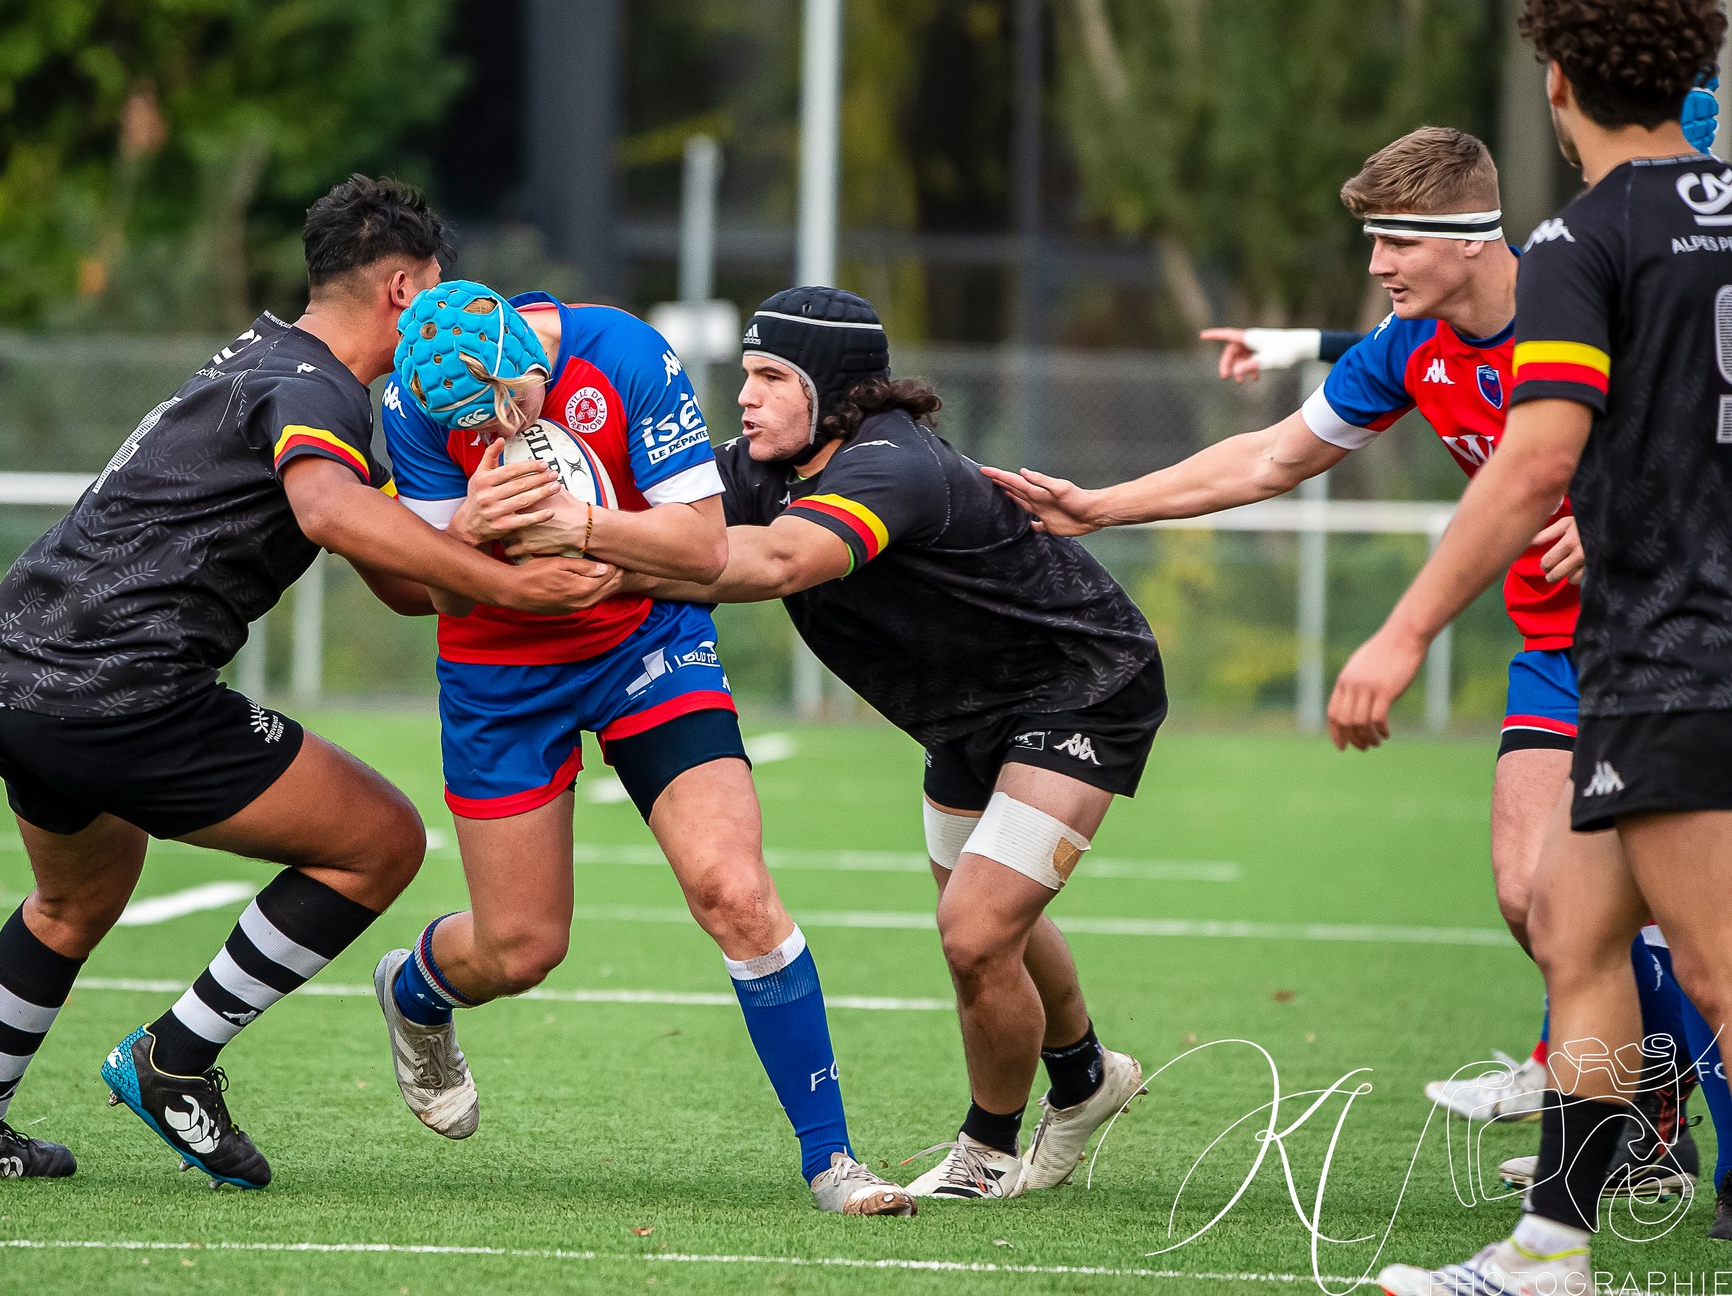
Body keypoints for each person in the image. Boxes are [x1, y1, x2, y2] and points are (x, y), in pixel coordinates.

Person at [987, 125, 1710, 1199]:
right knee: (1531, 899)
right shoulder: (1405, 346)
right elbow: (1272, 455)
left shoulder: (1589, 293)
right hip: (1556, 648)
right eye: (1371, 241)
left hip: (1677, 634)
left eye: (1393, 243)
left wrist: (1625, 512)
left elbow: (1702, 421)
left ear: (1468, 240)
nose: (1375, 265)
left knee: (1685, 925)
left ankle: (1663, 1148)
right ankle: (1645, 1127)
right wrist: (1104, 504)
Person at [0, 176, 620, 1189]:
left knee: (76, 897)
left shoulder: (269, 359)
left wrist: (475, 533)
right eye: (441, 290)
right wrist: (517, 588)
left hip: (9, 673)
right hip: (118, 690)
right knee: (380, 841)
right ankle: (174, 1058)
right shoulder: (316, 386)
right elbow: (328, 513)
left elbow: (400, 582)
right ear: (405, 289)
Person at [1301, 0, 1732, 1290]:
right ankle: (1551, 1245)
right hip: (1640, 650)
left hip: (1677, 643)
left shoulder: (1582, 241)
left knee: (1717, 971)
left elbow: (1537, 459)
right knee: (1577, 932)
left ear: (1556, 81)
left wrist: (1403, 628)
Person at [370, 279, 915, 1217]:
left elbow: (703, 547)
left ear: (530, 356)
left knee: (733, 888)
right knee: (520, 947)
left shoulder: (622, 353)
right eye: (478, 425)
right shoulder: (412, 402)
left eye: (513, 403)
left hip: (646, 641)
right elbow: (435, 592)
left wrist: (576, 526)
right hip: (502, 670)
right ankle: (416, 989)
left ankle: (833, 1159)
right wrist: (472, 528)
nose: (502, 429)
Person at [626, 287, 1161, 1200]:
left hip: (1081, 686)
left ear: (830, 388)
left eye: (769, 377)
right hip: (964, 714)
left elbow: (782, 562)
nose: (744, 396)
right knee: (997, 925)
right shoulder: (762, 465)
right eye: (745, 374)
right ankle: (1083, 1077)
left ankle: (987, 1151)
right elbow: (665, 522)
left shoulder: (889, 467)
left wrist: (585, 533)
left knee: (975, 932)